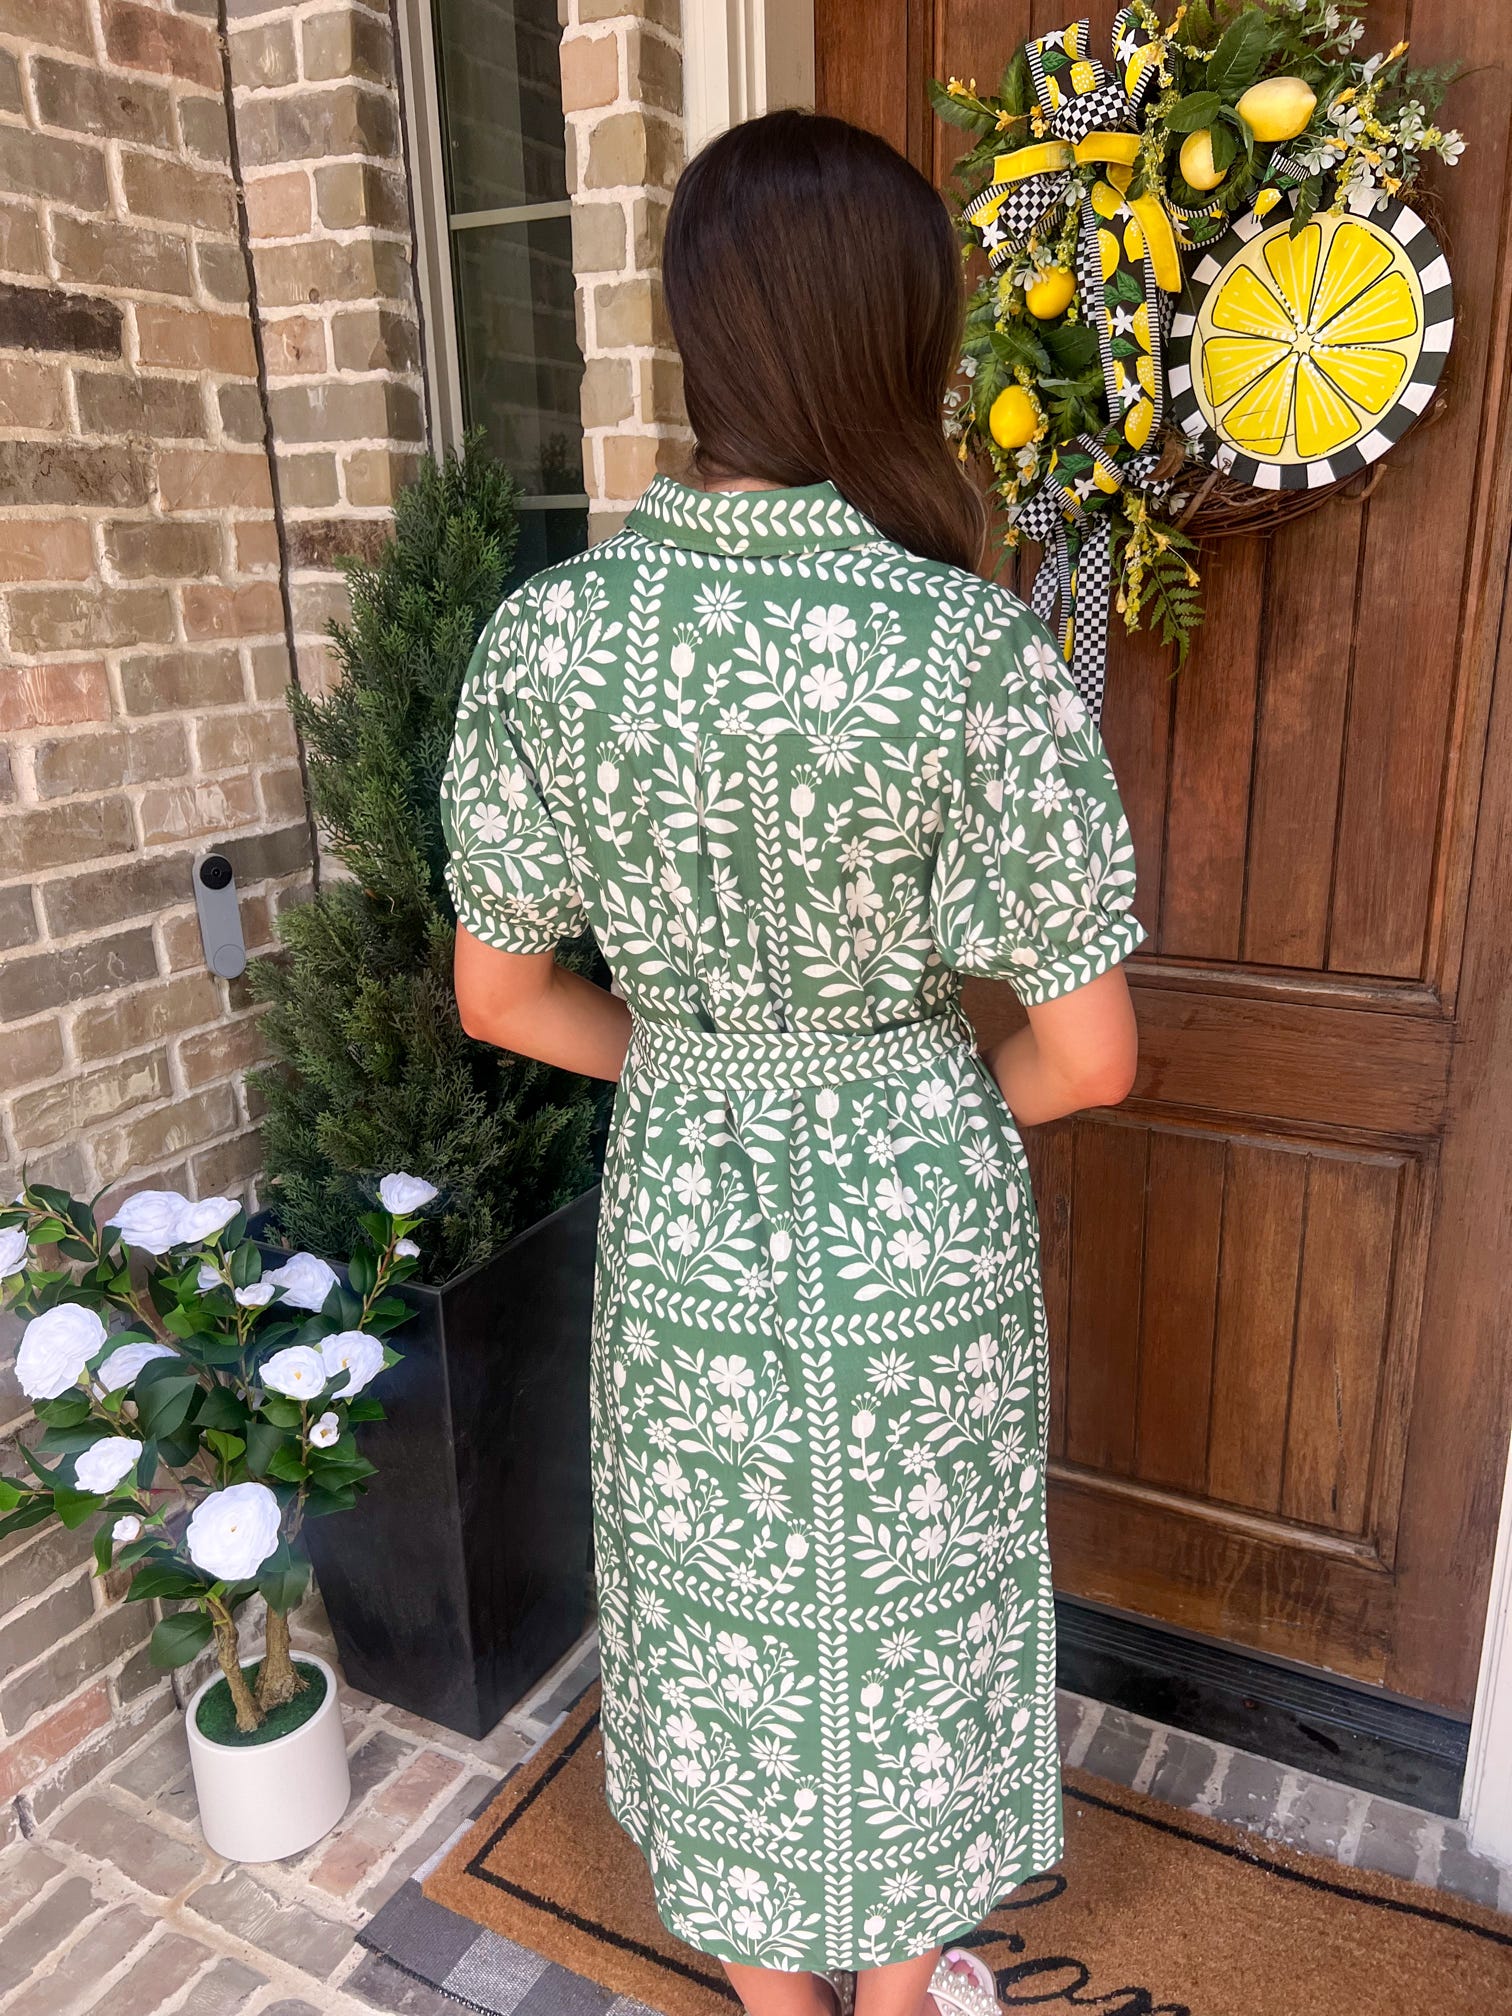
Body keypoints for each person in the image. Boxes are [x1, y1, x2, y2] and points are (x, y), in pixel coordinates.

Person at [442, 106, 1143, 2016]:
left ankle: (776, 2002)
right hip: (919, 1232)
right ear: (900, 344)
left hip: (692, 1213)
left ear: (696, 336)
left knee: (727, 1611)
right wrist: (901, 1107)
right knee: (904, 1620)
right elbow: (1088, 1056)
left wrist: (697, 1067)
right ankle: (906, 1995)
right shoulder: (977, 652)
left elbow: (501, 1002)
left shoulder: (552, 645)